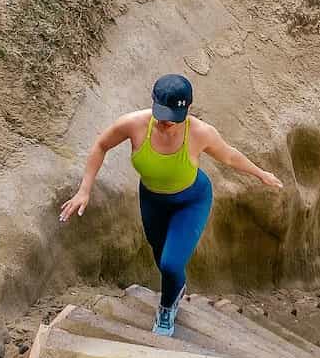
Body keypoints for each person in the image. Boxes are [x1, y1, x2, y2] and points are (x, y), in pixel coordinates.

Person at [59, 74, 283, 336]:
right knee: (159, 253)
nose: (166, 122)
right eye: (162, 114)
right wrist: (84, 190)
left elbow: (230, 156)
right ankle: (176, 287)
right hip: (152, 200)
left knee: (170, 264)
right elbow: (101, 145)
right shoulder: (134, 124)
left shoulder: (200, 133)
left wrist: (261, 174)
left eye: (173, 117)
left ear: (188, 108)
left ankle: (167, 308)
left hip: (191, 201)